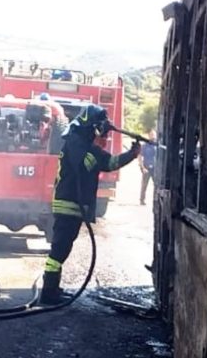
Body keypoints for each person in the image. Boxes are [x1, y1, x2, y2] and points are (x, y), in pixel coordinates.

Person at [39, 104, 140, 305]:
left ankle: (53, 289)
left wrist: (132, 154)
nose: (98, 134)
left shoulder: (84, 145)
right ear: (89, 125)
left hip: (75, 205)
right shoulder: (74, 142)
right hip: (67, 203)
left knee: (64, 247)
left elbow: (109, 163)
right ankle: (48, 292)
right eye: (96, 129)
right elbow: (86, 163)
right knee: (60, 249)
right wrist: (99, 148)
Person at [139, 129, 157, 206]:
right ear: (148, 135)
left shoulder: (157, 145)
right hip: (146, 167)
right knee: (144, 185)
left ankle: (155, 200)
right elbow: (140, 156)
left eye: (154, 134)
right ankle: (142, 200)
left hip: (155, 168)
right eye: (151, 134)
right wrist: (142, 167)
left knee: (157, 185)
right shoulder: (145, 146)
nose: (153, 136)